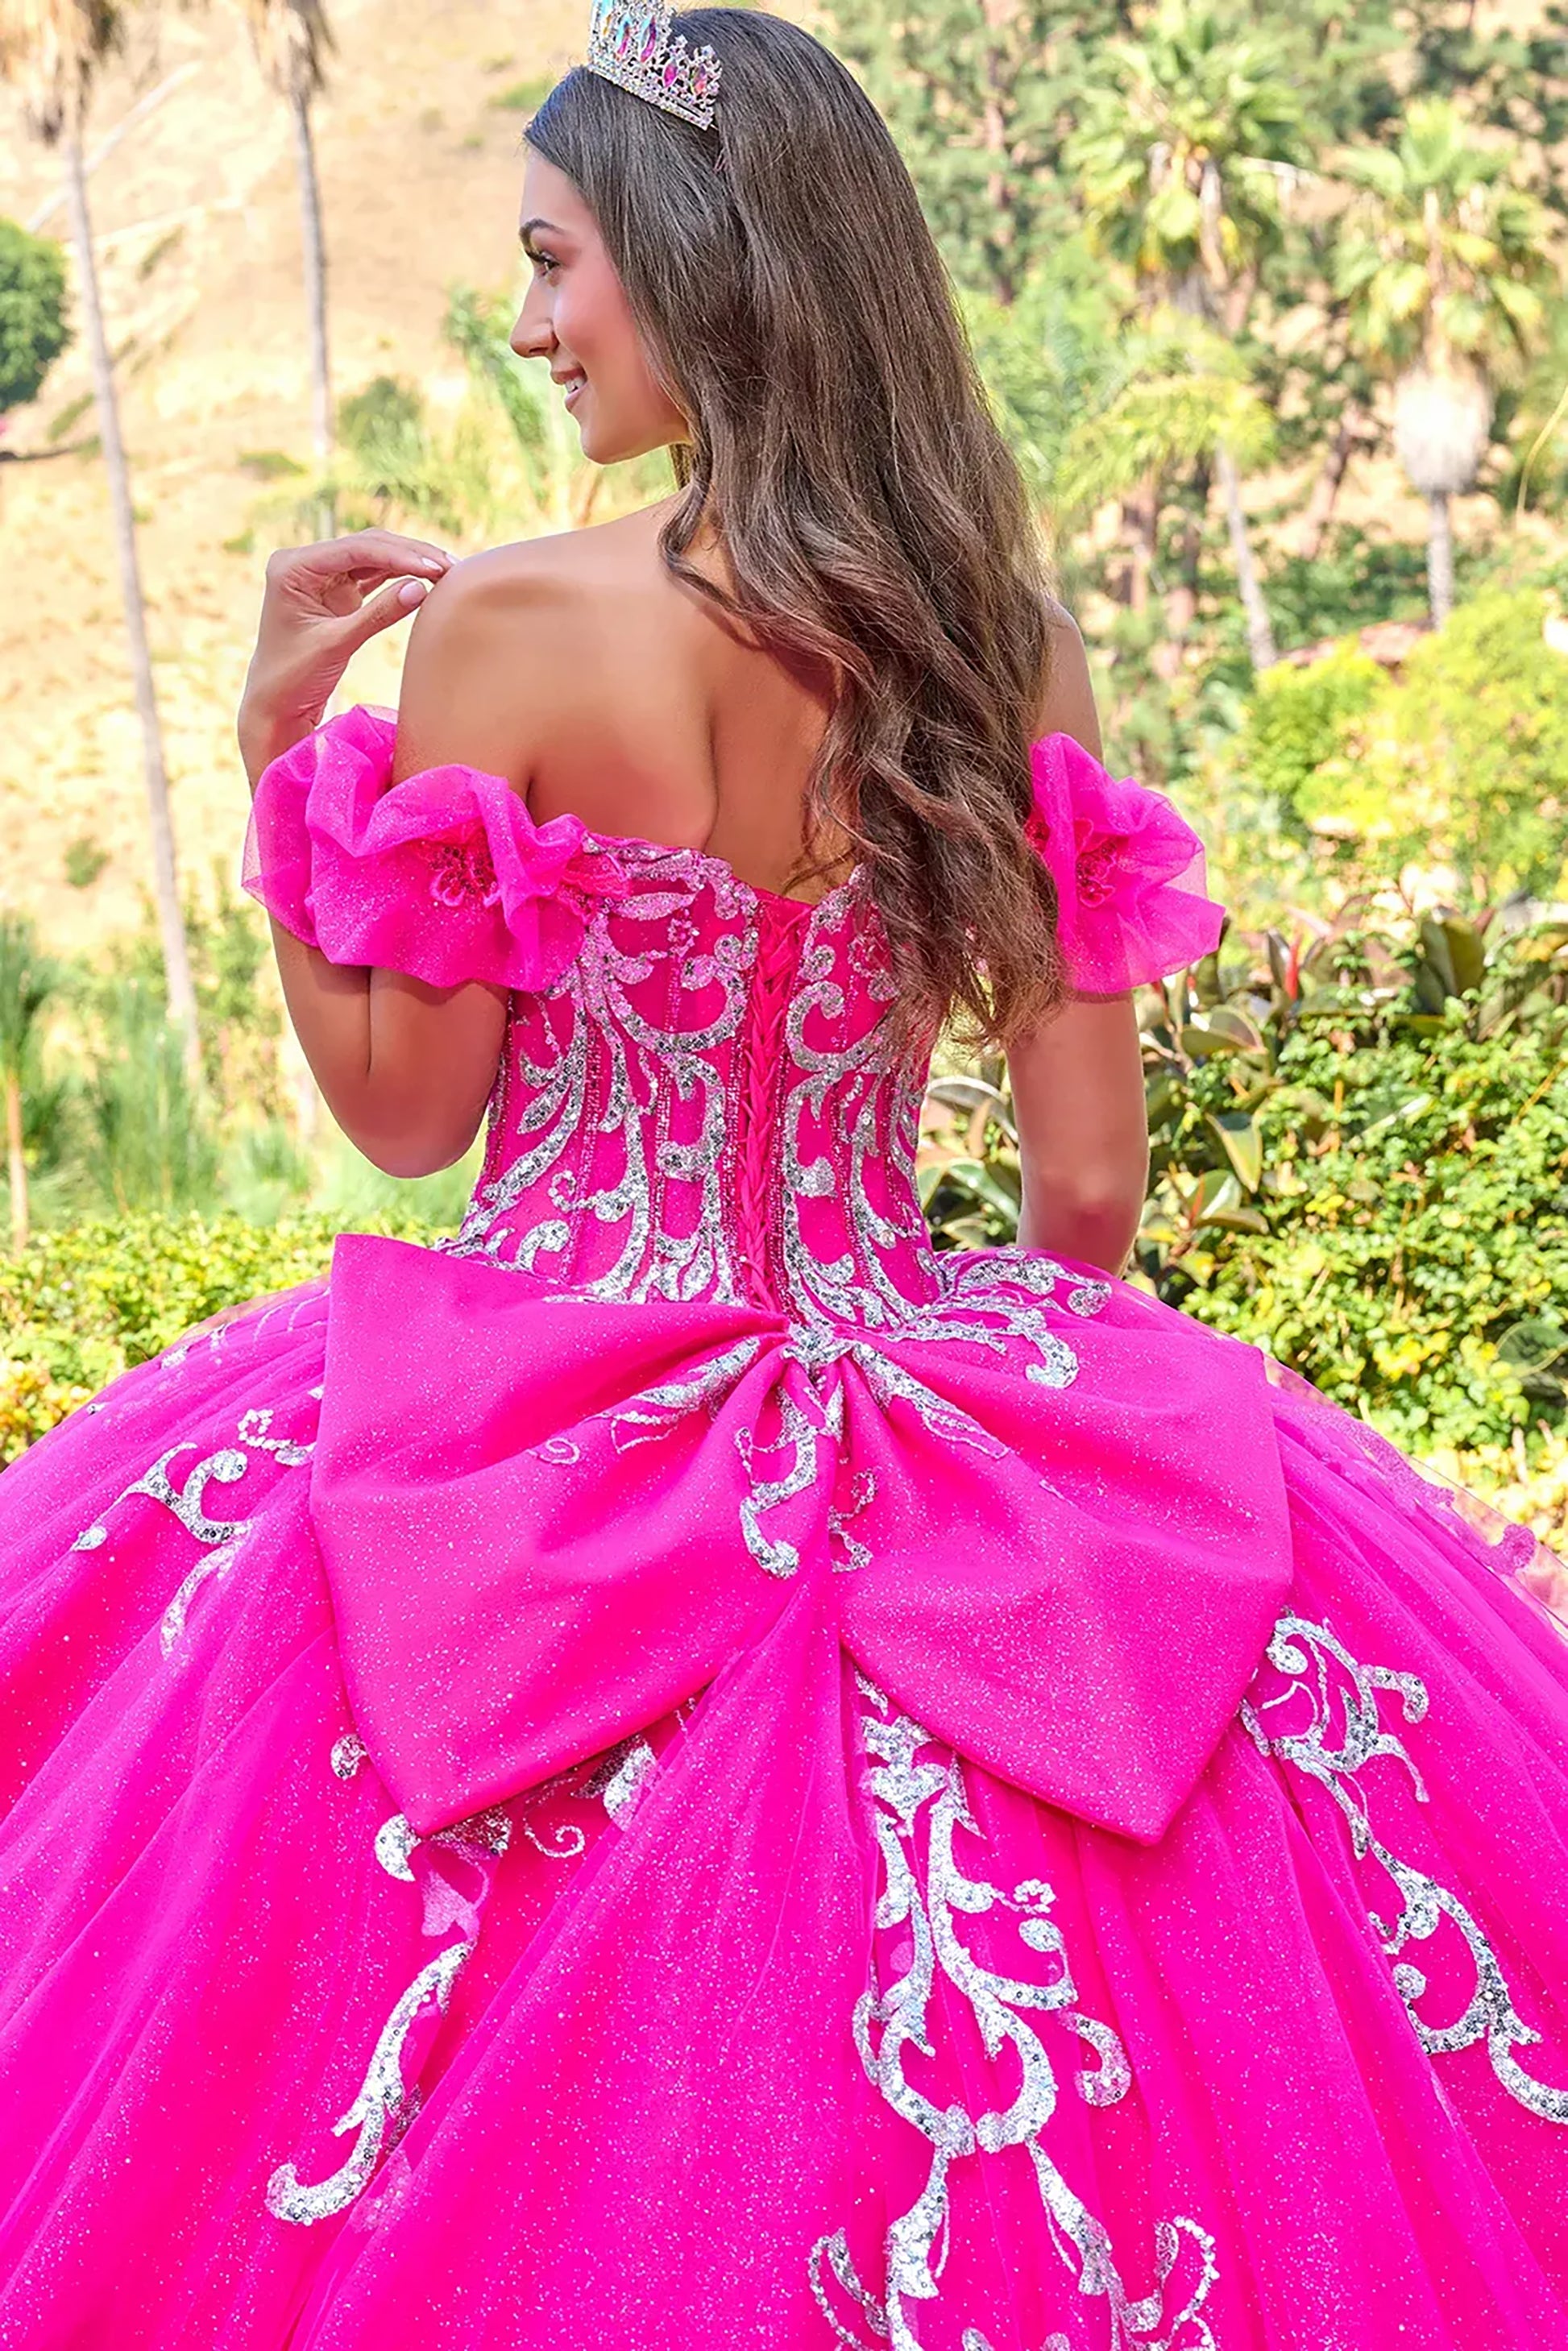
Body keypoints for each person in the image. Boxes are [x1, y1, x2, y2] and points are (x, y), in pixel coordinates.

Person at [2, 6, 1568, 2345]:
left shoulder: (510, 629)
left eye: (554, 263)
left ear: (687, 257)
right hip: (931, 1394)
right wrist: (997, 1415)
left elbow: (409, 1117)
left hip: (528, 1441)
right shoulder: (1000, 652)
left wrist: (272, 751)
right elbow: (1088, 1195)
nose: (531, 324)